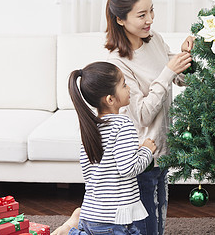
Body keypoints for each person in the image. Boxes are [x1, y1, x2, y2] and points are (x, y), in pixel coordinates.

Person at [105, 0, 194, 235]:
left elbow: (180, 79)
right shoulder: (118, 63)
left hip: (164, 149)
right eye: (142, 15)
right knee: (146, 227)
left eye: (151, 11)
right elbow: (142, 115)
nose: (150, 20)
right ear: (121, 19)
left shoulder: (154, 40)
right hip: (141, 156)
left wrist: (186, 58)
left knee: (160, 221)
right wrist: (167, 72)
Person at [66, 61, 157, 235]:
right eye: (124, 85)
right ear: (110, 99)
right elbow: (128, 168)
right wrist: (146, 150)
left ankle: (74, 230)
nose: (128, 88)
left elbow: (97, 168)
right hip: (113, 220)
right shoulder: (123, 124)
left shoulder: (91, 128)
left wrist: (133, 151)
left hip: (90, 214)